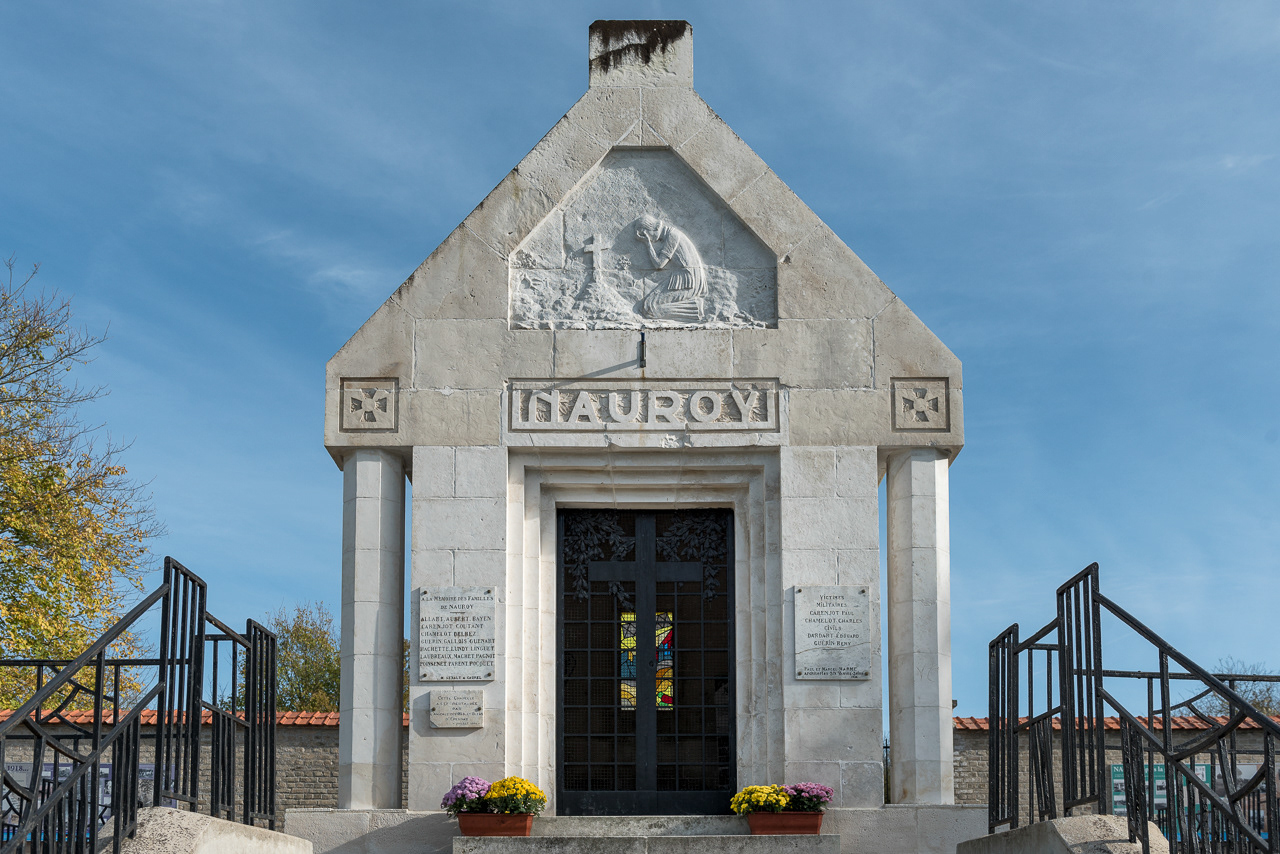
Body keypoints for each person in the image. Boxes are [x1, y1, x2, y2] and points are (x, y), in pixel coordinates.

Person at [635, 214, 706, 322]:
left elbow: (659, 264)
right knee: (648, 306)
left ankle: (694, 308)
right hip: (682, 277)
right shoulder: (671, 234)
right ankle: (692, 307)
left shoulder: (673, 236)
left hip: (688, 280)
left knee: (650, 307)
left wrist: (648, 244)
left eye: (645, 233)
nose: (646, 236)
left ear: (654, 228)